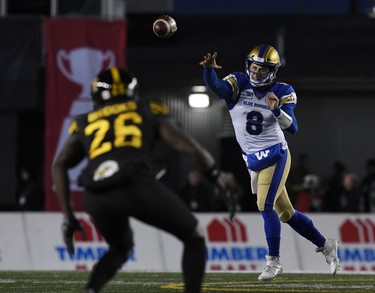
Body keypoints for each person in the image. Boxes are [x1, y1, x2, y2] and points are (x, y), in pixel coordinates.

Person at [52, 66, 233, 293]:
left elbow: (58, 164)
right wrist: (215, 176)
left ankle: (91, 290)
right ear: (133, 91)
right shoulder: (147, 107)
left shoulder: (84, 121)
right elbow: (186, 147)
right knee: (194, 235)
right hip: (132, 184)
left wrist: (68, 216)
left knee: (119, 248)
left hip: (96, 194)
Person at [199, 44, 340, 281]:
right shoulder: (239, 83)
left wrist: (276, 111)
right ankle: (326, 245)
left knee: (265, 206)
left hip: (275, 153)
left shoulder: (282, 91)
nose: (255, 73)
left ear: (272, 72)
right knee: (287, 214)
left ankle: (273, 262)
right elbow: (218, 88)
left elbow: (293, 128)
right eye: (253, 68)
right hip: (253, 159)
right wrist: (208, 71)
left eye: (261, 70)